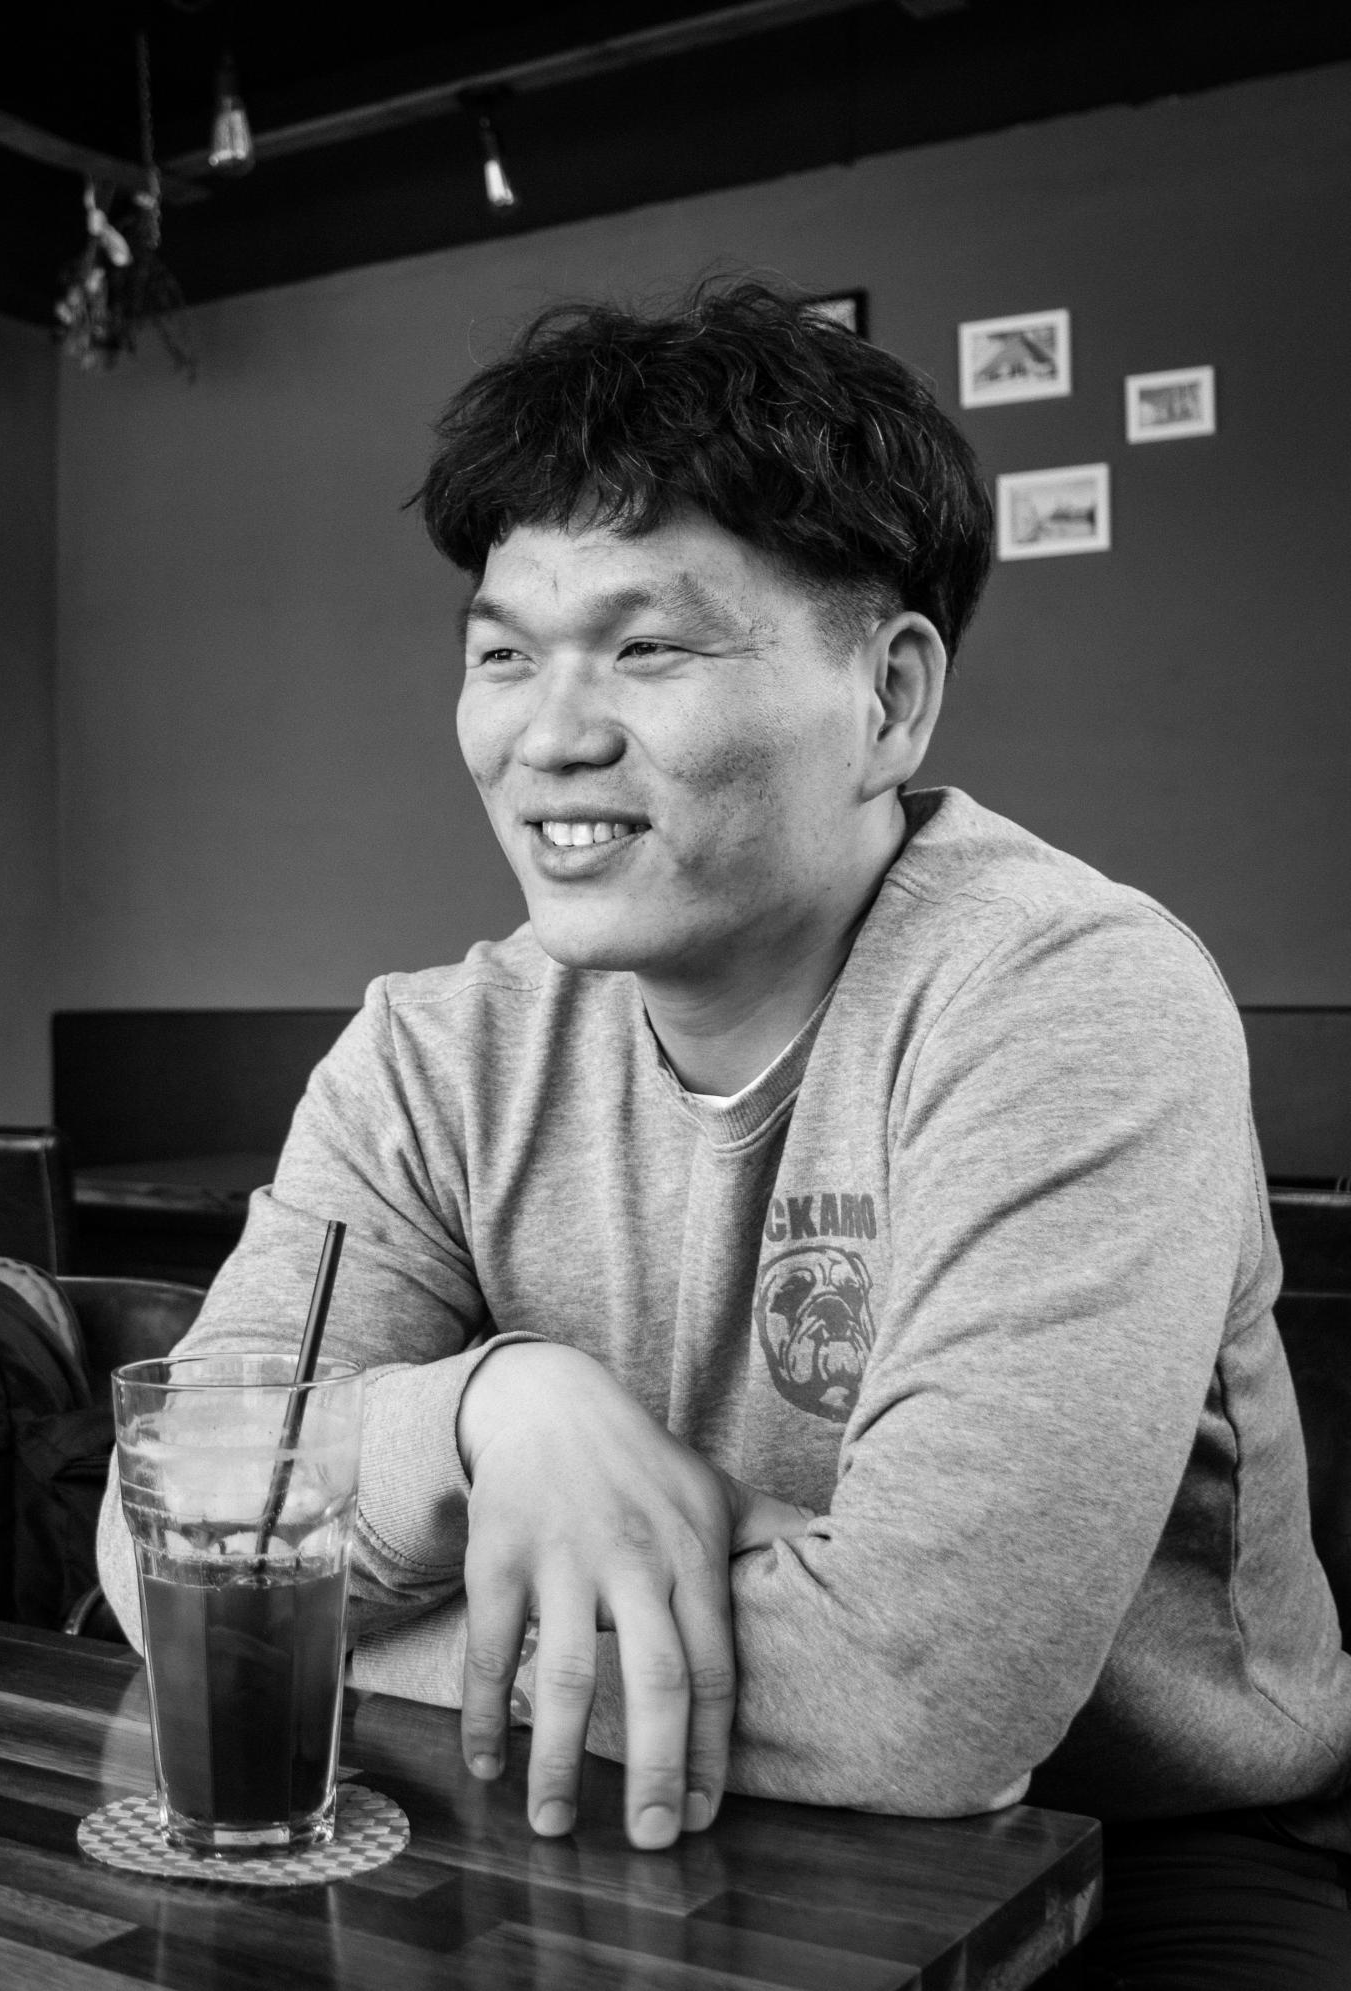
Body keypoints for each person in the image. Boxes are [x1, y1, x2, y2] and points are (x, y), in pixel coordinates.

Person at [96, 281, 1351, 1985]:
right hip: (647, 1813)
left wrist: (327, 1610)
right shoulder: (430, 1050)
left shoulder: (1072, 998)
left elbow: (919, 1704)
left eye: (648, 648)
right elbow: (161, 1546)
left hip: (1142, 1850)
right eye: (502, 654)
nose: (551, 735)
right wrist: (489, 1419)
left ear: (889, 699)